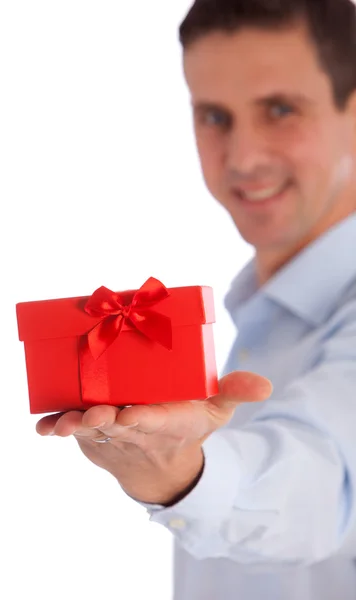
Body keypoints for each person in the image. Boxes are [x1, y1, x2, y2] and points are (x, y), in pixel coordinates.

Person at [36, 0, 356, 598]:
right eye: (214, 116)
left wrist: (183, 472)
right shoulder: (260, 315)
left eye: (281, 109)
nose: (243, 158)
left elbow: (325, 484)